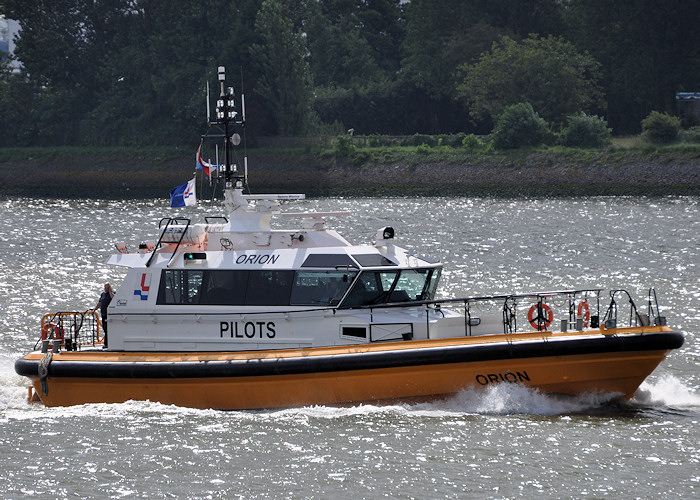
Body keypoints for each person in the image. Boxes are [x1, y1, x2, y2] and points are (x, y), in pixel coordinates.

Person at [93, 283, 115, 348]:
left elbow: (113, 298)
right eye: (105, 288)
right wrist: (94, 309)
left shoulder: (112, 293)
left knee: (108, 329)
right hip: (103, 314)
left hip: (109, 315)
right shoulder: (103, 294)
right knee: (105, 329)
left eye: (107, 288)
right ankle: (106, 343)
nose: (105, 289)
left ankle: (107, 343)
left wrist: (110, 291)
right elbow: (100, 303)